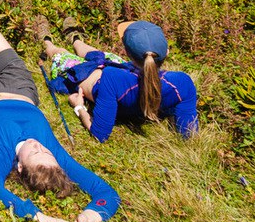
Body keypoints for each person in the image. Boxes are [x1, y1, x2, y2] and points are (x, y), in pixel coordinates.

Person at [0, 14, 119, 222]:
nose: (39, 145)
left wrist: (42, 219)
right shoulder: (56, 158)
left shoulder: (1, 157)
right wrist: (91, 216)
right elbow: (107, 193)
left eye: (35, 152)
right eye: (46, 151)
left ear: (19, 166)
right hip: (20, 85)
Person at [35, 15, 198, 143]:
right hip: (118, 74)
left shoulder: (113, 77)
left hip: (96, 78)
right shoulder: (182, 83)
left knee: (62, 56)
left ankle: (48, 42)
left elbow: (99, 134)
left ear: (127, 54)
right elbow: (188, 133)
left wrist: (79, 107)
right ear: (166, 52)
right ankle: (76, 39)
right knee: (96, 54)